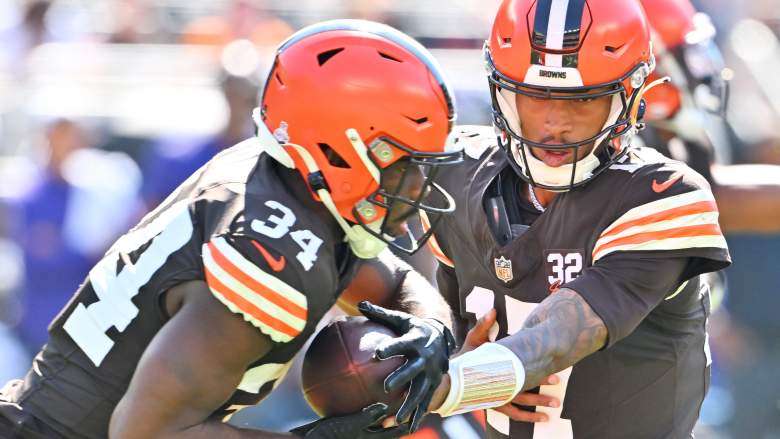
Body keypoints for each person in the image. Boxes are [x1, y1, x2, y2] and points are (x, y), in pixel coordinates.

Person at [0, 20, 464, 439]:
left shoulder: (286, 182)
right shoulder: (272, 255)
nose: (419, 185)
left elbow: (398, 284)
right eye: (402, 164)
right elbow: (144, 433)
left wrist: (430, 328)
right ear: (339, 150)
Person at [418, 0, 731, 438]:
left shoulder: (663, 195)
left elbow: (562, 334)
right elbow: (418, 292)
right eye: (534, 96)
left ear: (631, 97)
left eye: (583, 99)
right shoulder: (456, 170)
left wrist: (463, 382)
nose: (555, 123)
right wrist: (436, 344)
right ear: (501, 92)